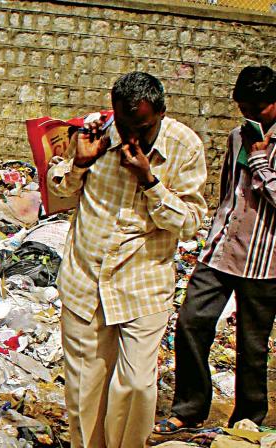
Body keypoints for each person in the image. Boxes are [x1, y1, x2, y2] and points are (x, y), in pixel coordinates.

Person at [47, 71, 208, 448]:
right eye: (124, 124)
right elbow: (57, 192)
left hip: (143, 282)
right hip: (85, 280)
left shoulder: (185, 147)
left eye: (142, 126)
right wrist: (79, 164)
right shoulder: (95, 132)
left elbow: (189, 224)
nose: (131, 136)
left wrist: (151, 182)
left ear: (162, 114)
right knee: (85, 388)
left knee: (136, 385)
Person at [154, 66, 276, 435]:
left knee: (252, 345)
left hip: (265, 259)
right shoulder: (238, 136)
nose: (251, 115)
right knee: (192, 322)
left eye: (259, 108)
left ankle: (247, 417)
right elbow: (229, 192)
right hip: (221, 250)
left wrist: (260, 162)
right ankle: (189, 408)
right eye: (244, 107)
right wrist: (213, 232)